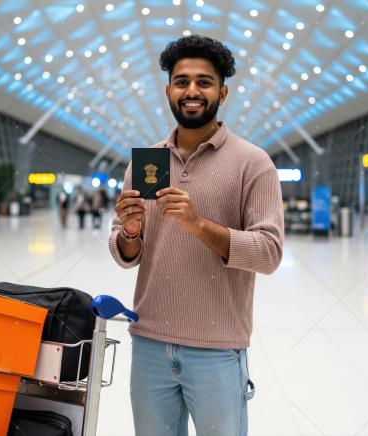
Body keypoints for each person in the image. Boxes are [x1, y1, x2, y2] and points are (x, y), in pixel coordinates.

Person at [108, 35, 284, 436]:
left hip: (217, 348)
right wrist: (131, 233)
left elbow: (269, 253)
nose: (192, 91)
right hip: (149, 340)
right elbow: (124, 251)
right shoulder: (146, 163)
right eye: (181, 81)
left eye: (204, 82)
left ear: (222, 91)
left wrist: (199, 225)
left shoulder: (252, 163)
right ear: (168, 90)